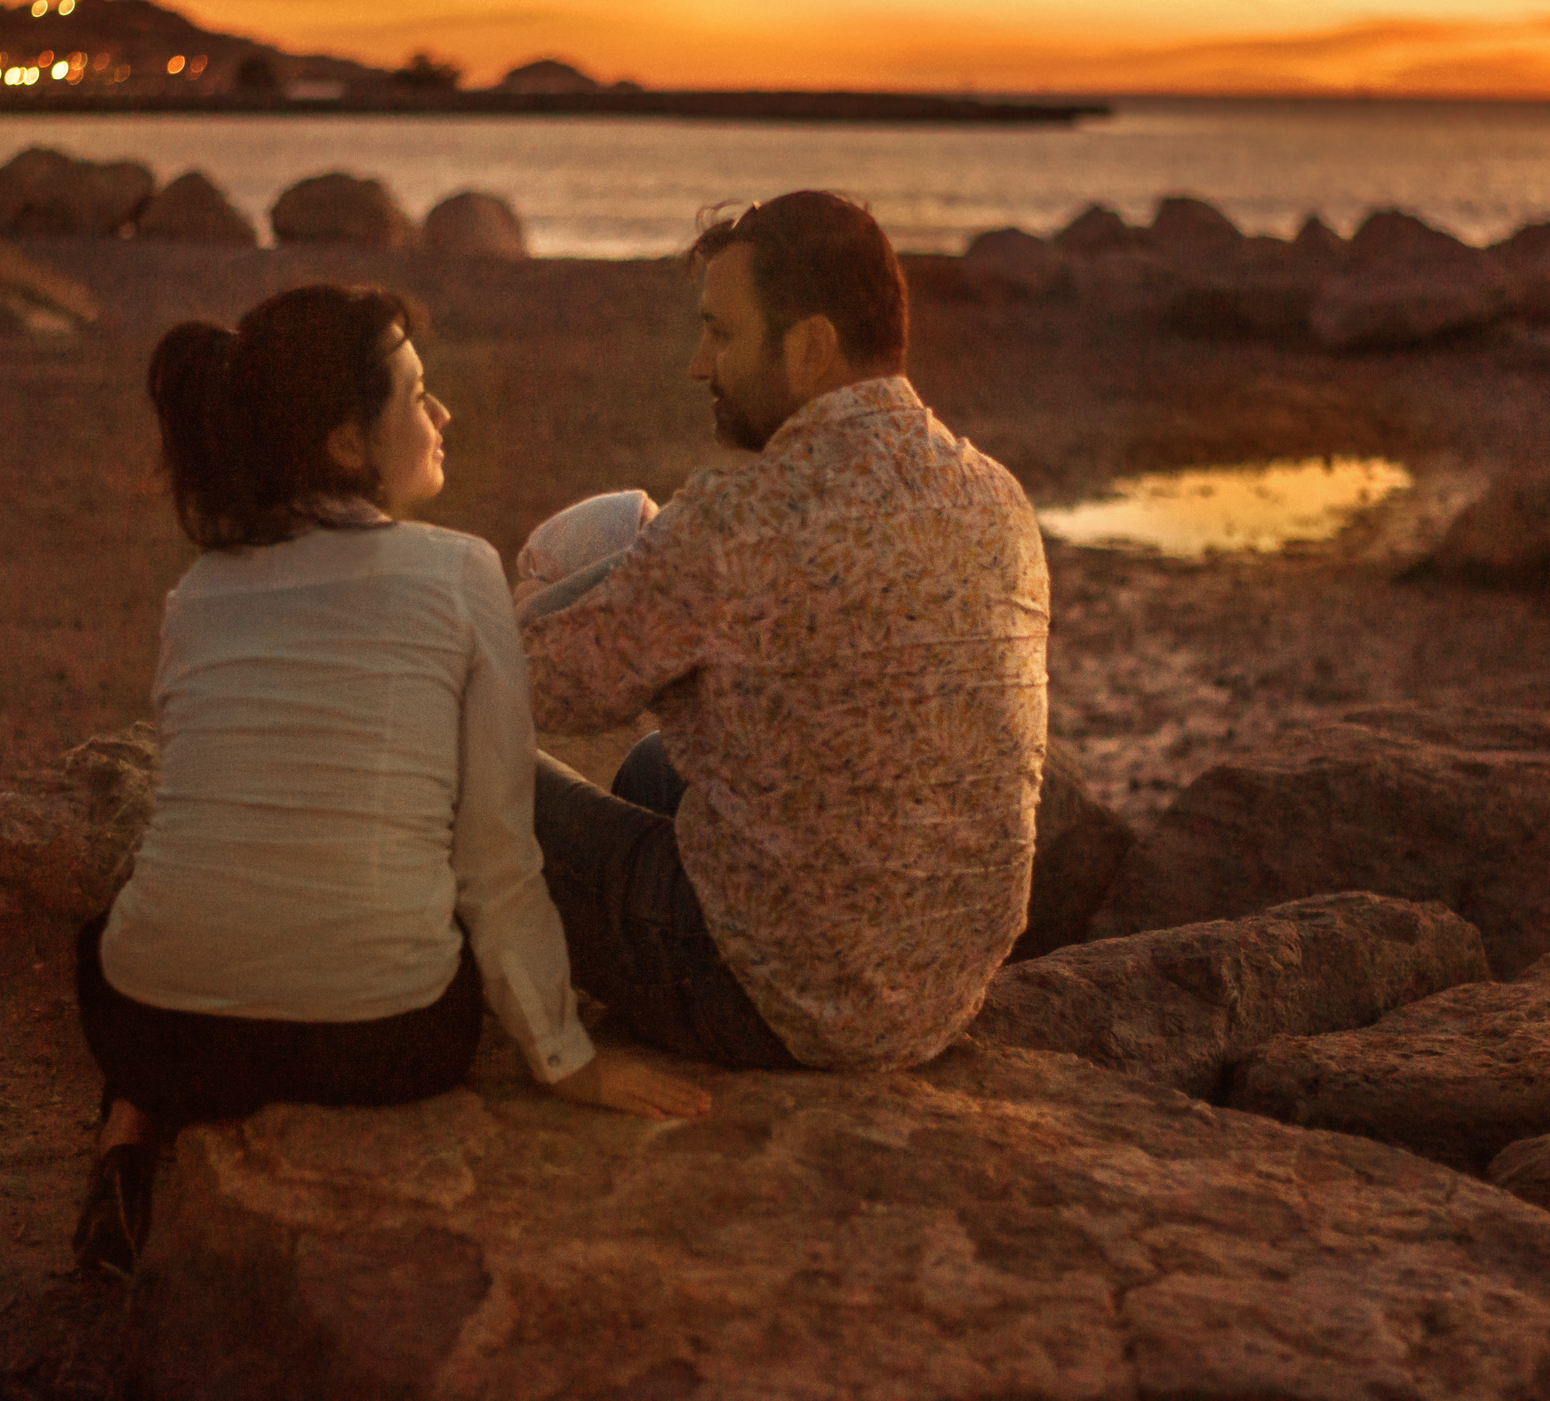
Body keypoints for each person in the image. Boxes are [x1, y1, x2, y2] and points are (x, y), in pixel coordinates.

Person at [72, 283, 708, 1277]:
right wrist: (566, 1057)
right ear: (342, 443)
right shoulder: (459, 573)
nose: (443, 412)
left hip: (164, 1031)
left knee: (113, 929)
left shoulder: (197, 592)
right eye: (416, 394)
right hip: (379, 1043)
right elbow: (497, 854)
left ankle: (127, 1131)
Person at [516, 191, 1050, 1073]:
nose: (698, 365)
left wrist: (583, 575)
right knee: (654, 767)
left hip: (763, 1000)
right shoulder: (998, 496)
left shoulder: (742, 516)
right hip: (941, 992)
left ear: (809, 348)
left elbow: (530, 682)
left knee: (479, 772)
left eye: (721, 335)